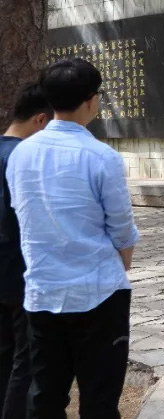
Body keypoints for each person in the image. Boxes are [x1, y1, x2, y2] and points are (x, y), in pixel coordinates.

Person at [5, 58, 139, 418]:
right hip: (98, 294)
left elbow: (24, 215)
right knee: (99, 401)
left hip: (42, 292)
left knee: (45, 399)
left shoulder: (21, 155)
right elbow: (122, 227)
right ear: (92, 101)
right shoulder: (102, 157)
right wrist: (121, 265)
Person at [0, 83, 51, 419]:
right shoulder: (23, 158)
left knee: (6, 355)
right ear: (40, 119)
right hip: (18, 271)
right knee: (27, 360)